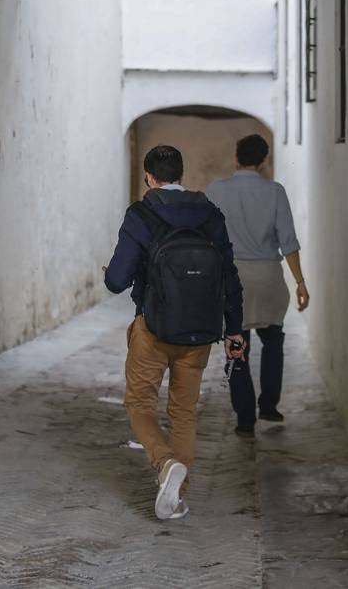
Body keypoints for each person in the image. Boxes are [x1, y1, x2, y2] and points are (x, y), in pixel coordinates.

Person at [104, 144, 245, 521]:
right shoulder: (210, 215)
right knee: (183, 413)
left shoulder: (141, 213)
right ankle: (174, 496)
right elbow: (229, 276)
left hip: (152, 327)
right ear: (181, 175)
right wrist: (234, 330)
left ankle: (165, 462)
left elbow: (116, 281)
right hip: (199, 331)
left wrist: (116, 271)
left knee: (139, 404)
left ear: (149, 177)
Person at [205, 134, 309, 436]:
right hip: (267, 277)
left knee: (237, 347)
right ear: (264, 161)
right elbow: (288, 242)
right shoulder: (275, 192)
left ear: (237, 156)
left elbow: (206, 238)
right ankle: (269, 406)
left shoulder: (215, 191)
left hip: (232, 279)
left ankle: (245, 419)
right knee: (274, 340)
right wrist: (300, 282)